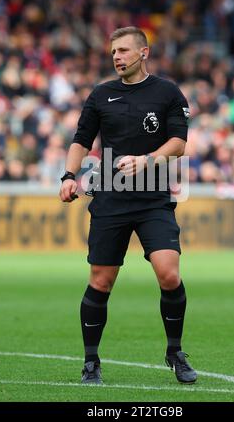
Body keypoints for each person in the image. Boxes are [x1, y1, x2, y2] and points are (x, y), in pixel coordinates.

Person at [59, 26, 197, 385]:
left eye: (122, 50)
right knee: (101, 282)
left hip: (153, 198)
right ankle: (91, 361)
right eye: (113, 52)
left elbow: (179, 143)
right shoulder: (101, 94)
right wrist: (68, 175)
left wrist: (147, 160)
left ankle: (175, 351)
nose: (117, 57)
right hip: (110, 196)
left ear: (143, 52)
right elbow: (81, 140)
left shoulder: (167, 92)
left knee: (169, 273)